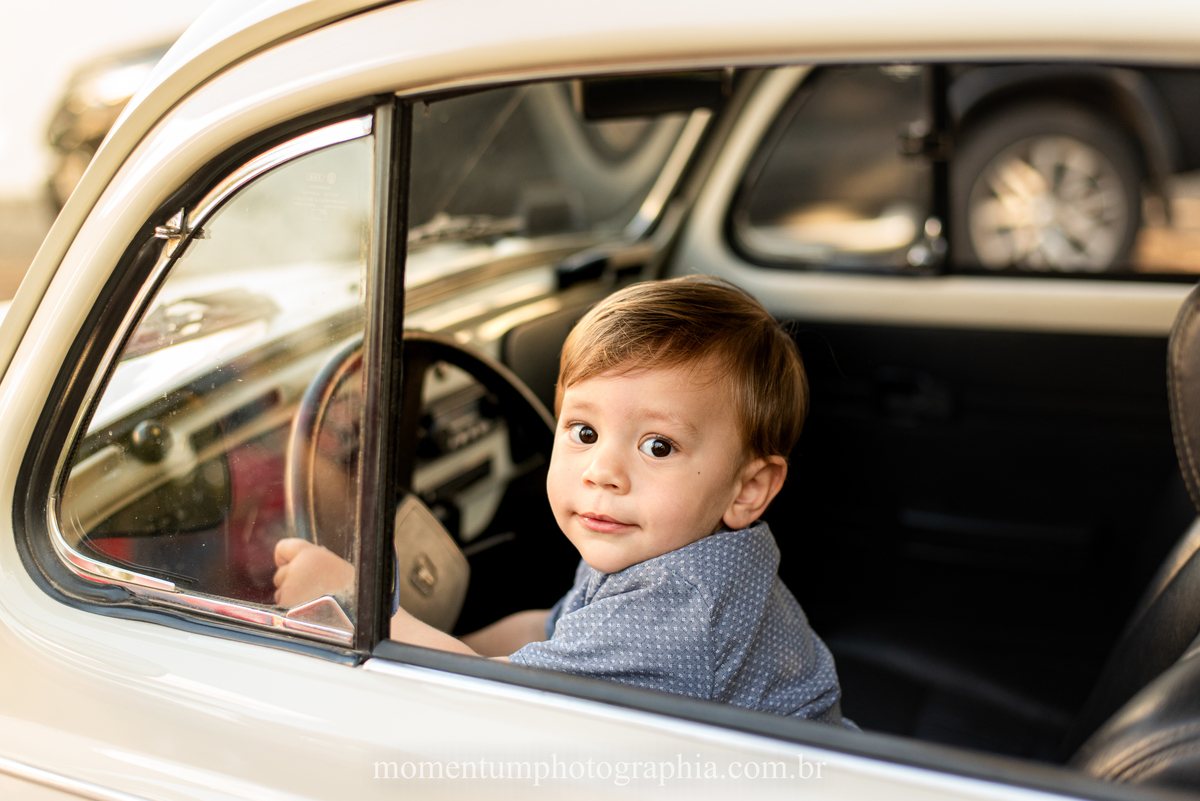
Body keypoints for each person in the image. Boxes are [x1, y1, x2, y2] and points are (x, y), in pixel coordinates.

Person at [274, 276, 847, 723]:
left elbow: (487, 700)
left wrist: (351, 601)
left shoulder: (678, 609)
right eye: (585, 432)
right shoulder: (666, 549)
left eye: (657, 445)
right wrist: (445, 635)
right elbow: (549, 630)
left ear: (748, 489)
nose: (602, 472)